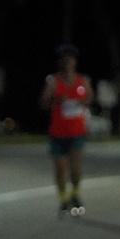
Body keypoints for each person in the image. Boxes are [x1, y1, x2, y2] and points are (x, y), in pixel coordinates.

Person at [39, 44, 93, 215]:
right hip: (57, 133)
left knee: (75, 169)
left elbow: (90, 98)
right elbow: (43, 103)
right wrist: (56, 100)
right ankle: (63, 199)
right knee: (61, 168)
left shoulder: (83, 81)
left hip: (77, 132)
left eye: (70, 59)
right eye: (63, 59)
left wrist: (83, 102)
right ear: (60, 62)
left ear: (75, 62)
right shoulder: (53, 81)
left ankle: (75, 194)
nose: (67, 62)